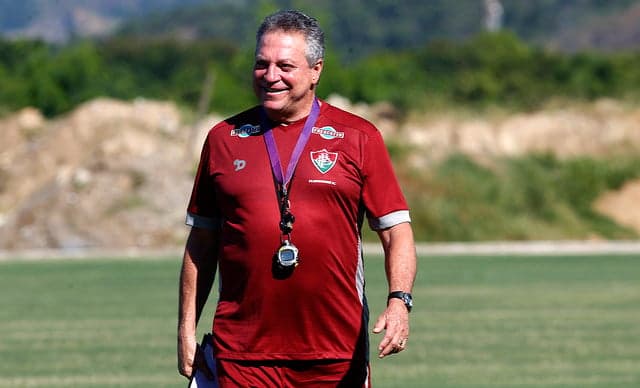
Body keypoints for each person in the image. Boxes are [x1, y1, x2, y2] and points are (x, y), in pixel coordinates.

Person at [178, 9, 417, 387]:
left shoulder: (359, 137)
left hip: (335, 353)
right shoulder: (224, 138)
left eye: (284, 65)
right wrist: (186, 329)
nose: (271, 76)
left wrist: (399, 301)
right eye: (262, 64)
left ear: (315, 70)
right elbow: (201, 245)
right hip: (242, 355)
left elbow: (396, 231)